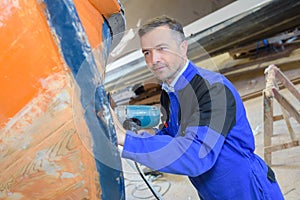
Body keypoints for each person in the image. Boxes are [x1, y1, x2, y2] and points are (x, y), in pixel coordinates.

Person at [111, 15, 284, 199]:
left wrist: (127, 139)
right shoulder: (169, 93)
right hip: (210, 192)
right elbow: (170, 138)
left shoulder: (213, 90)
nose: (154, 60)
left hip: (246, 189)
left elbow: (196, 155)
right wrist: (134, 136)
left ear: (183, 47)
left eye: (162, 48)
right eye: (147, 52)